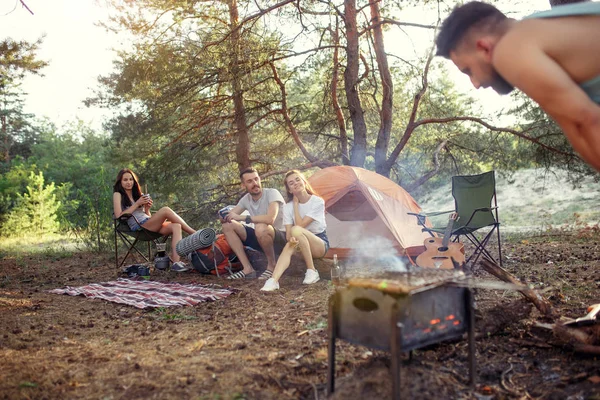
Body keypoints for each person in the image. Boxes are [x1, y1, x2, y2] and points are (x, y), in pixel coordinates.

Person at [436, 1, 600, 171]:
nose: (475, 84)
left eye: (468, 71)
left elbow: (588, 122)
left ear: (484, 48)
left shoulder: (509, 49)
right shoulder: (542, 26)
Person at [113, 168, 196, 272]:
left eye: (131, 179)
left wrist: (147, 208)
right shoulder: (118, 194)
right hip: (139, 226)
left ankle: (176, 264)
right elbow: (118, 215)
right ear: (120, 182)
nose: (129, 182)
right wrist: (137, 204)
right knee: (165, 210)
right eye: (125, 180)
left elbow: (146, 215)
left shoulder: (137, 194)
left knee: (176, 226)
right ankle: (194, 233)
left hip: (148, 222)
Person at [260, 170, 329, 292]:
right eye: (291, 183)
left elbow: (300, 226)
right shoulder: (288, 206)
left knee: (296, 230)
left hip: (319, 244)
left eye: (298, 179)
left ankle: (312, 271)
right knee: (289, 243)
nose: (295, 183)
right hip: (299, 243)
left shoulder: (317, 202)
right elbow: (288, 235)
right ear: (290, 190)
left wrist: (296, 205)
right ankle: (273, 280)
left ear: (304, 181)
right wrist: (291, 239)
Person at [220, 167, 287, 280]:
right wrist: (224, 217)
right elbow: (231, 215)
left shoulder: (272, 193)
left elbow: (270, 219)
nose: (255, 183)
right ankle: (247, 269)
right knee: (228, 226)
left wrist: (241, 217)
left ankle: (272, 265)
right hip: (261, 236)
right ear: (243, 185)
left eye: (256, 179)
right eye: (250, 181)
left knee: (261, 226)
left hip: (282, 237)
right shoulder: (246, 199)